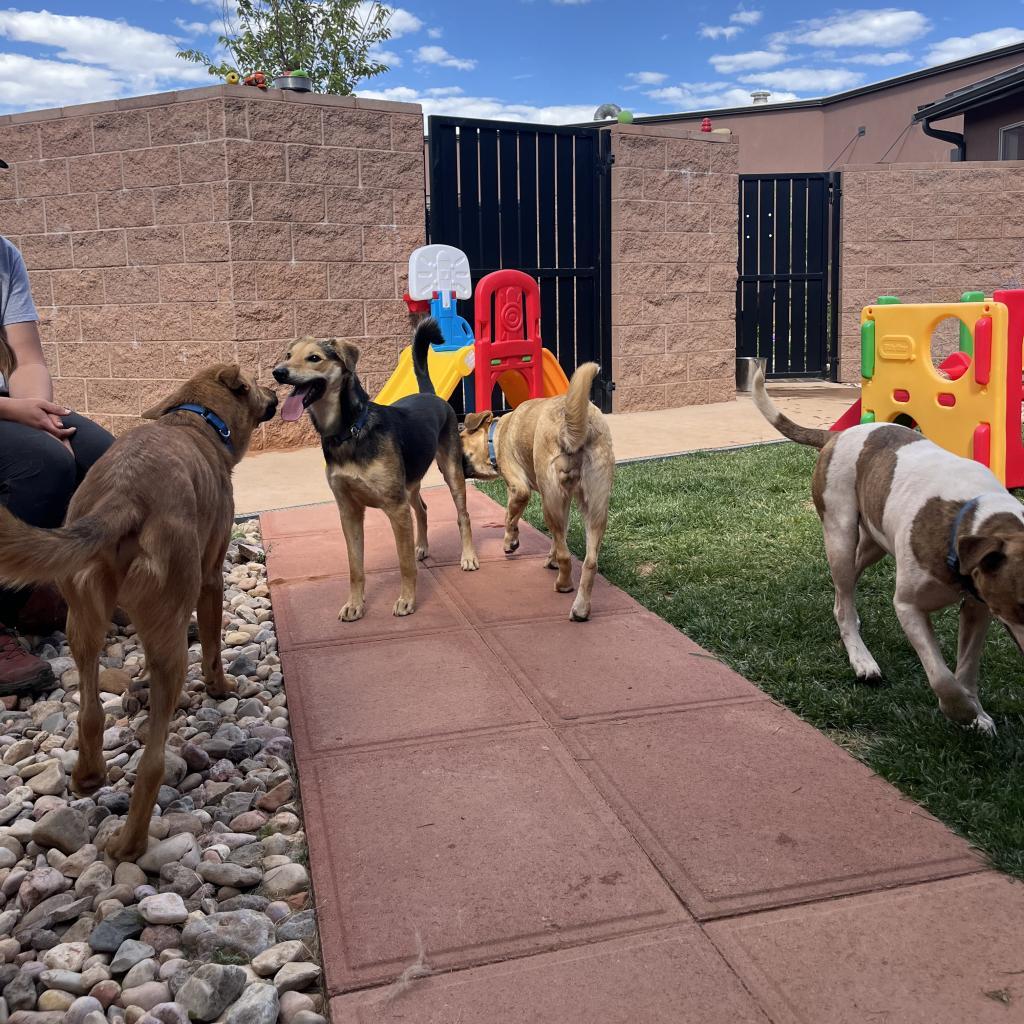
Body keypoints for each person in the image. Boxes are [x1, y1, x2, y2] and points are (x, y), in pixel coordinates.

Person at [0, 230, 113, 696]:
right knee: (42, 466)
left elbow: (26, 358)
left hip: (8, 402)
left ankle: (81, 590)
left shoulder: (4, 255)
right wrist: (14, 414)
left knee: (108, 458)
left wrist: (41, 416)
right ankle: (12, 604)